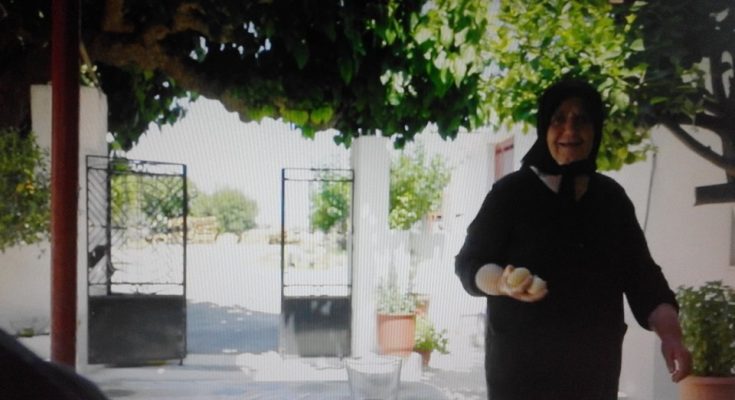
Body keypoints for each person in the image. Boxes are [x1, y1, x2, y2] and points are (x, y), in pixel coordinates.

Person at [454, 79, 691, 400]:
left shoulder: (611, 199)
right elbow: (470, 263)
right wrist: (502, 283)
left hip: (593, 372)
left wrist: (671, 337)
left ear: (596, 129)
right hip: (522, 372)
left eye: (581, 119)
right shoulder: (510, 194)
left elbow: (643, 278)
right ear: (544, 127)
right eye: (558, 119)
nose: (570, 130)